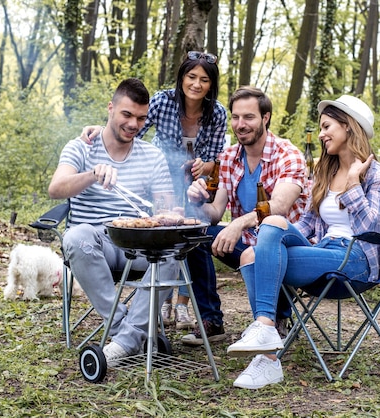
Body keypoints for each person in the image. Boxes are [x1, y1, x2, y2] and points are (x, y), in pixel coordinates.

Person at [227, 95, 380, 389]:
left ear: (349, 127)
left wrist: (354, 184)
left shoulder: (376, 173)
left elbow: (370, 227)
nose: (321, 134)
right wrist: (275, 233)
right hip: (323, 250)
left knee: (260, 248)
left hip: (355, 260)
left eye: (327, 126)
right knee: (252, 251)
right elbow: (308, 223)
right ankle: (267, 346)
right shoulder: (324, 171)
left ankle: (266, 346)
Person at [81, 51, 228, 330]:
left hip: (196, 183)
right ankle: (158, 305)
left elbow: (218, 159)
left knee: (195, 234)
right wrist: (100, 129)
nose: (196, 84)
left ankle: (195, 311)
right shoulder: (162, 101)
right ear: (182, 77)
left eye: (204, 80)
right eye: (191, 76)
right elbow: (130, 129)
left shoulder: (217, 113)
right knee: (163, 236)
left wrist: (204, 167)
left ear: (211, 84)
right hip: (160, 180)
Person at [48, 78, 179, 365]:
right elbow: (56, 188)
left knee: (175, 251)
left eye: (142, 118)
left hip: (138, 244)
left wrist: (171, 213)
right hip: (96, 245)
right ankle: (130, 333)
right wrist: (92, 174)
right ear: (110, 108)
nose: (134, 124)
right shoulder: (81, 147)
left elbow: (165, 208)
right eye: (127, 114)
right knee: (76, 236)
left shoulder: (152, 155)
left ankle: (123, 341)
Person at [182, 86, 308, 346]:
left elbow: (280, 206)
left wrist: (238, 223)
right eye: (236, 117)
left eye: (249, 117)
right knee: (195, 233)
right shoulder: (228, 158)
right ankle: (211, 321)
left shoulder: (289, 155)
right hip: (248, 241)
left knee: (268, 241)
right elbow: (215, 213)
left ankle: (278, 319)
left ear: (265, 118)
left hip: (286, 244)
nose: (241, 124)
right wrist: (196, 202)